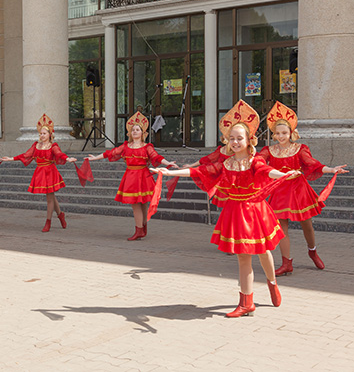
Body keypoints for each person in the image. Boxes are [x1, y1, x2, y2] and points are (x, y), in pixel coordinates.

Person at [152, 100, 299, 318]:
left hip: (254, 210)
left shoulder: (255, 161)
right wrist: (169, 173)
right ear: (228, 142)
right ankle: (246, 301)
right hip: (235, 211)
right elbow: (200, 172)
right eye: (232, 138)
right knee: (243, 256)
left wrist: (284, 174)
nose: (236, 142)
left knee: (263, 251)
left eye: (240, 138)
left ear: (249, 140)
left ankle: (271, 282)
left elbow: (267, 171)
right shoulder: (226, 164)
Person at [259, 101, 348, 275]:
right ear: (274, 134)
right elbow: (258, 161)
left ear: (291, 133)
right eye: (277, 133)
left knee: (307, 225)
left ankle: (312, 251)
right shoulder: (269, 150)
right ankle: (286, 263)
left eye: (284, 132)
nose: (281, 136)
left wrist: (331, 169)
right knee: (281, 226)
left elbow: (312, 164)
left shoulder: (299, 148)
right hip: (279, 190)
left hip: (298, 190)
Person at [86, 111, 178, 240]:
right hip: (131, 177)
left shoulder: (147, 147)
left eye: (137, 129)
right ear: (130, 132)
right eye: (133, 130)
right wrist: (96, 157)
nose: (135, 131)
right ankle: (141, 228)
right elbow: (111, 153)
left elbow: (156, 157)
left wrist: (168, 162)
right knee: (135, 203)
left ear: (143, 133)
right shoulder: (126, 146)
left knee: (143, 203)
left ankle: (141, 228)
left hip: (143, 175)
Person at [0, 113, 77, 232]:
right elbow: (26, 155)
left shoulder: (53, 145)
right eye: (40, 133)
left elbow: (59, 154)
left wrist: (67, 158)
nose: (42, 135)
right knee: (51, 196)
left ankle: (48, 222)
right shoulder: (36, 145)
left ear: (50, 134)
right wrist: (11, 158)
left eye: (44, 133)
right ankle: (61, 215)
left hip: (50, 172)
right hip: (41, 172)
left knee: (49, 198)